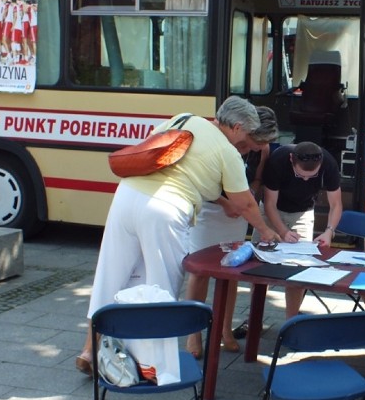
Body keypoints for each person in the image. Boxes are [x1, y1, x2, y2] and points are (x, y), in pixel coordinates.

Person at [75, 96, 281, 375]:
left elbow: (161, 156)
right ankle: (152, 366)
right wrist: (267, 231)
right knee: (162, 287)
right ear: (236, 127)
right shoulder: (226, 151)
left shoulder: (183, 119)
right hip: (165, 210)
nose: (244, 142)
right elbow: (245, 203)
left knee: (110, 275)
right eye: (245, 134)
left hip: (126, 196)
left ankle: (89, 348)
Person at [184, 106, 278, 358]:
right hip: (212, 210)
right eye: (254, 143)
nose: (257, 148)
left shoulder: (263, 149)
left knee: (231, 274)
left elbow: (256, 179)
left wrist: (250, 197)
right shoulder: (225, 143)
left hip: (239, 214)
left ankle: (224, 329)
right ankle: (193, 335)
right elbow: (201, 182)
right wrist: (227, 203)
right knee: (200, 272)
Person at [251, 141, 343, 319]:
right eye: (300, 175)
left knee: (298, 269)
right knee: (261, 267)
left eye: (312, 176)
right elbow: (269, 204)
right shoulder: (278, 160)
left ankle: (291, 321)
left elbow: (336, 203)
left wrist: (329, 231)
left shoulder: (328, 163)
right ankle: (254, 318)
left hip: (303, 212)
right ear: (291, 160)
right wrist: (283, 232)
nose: (306, 180)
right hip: (273, 210)